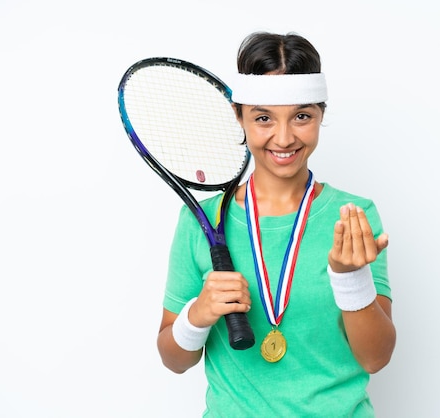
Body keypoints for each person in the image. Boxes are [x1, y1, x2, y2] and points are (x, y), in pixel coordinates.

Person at [157, 31, 396, 417]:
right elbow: (174, 359)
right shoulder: (200, 221)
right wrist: (197, 314)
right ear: (239, 116)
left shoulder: (354, 216)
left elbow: (375, 358)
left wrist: (351, 280)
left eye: (302, 116)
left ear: (320, 115)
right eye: (263, 118)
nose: (283, 138)